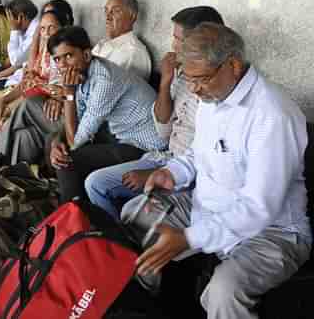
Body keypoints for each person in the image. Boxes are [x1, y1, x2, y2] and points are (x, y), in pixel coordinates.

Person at [122, 22, 311, 319]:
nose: (195, 90)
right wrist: (172, 172)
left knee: (224, 293)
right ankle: (156, 307)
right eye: (189, 80)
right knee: (134, 217)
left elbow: (259, 208)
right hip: (209, 207)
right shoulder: (214, 95)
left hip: (271, 231)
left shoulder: (271, 115)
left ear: (233, 65)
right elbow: (199, 152)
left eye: (201, 80)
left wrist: (190, 238)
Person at [0, 27, 166, 200]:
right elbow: (78, 121)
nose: (63, 64)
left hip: (140, 147)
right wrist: (58, 136)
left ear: (85, 54)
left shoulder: (105, 80)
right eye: (58, 59)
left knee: (66, 157)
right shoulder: (84, 74)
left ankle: (72, 213)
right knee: (35, 134)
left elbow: (76, 139)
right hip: (111, 133)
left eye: (68, 56)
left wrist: (68, 94)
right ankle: (9, 183)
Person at [85, 6, 224, 220]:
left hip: (189, 173)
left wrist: (158, 174)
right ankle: (106, 244)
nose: (173, 45)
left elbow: (207, 156)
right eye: (174, 37)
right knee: (95, 183)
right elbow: (163, 129)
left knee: (133, 213)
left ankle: (120, 246)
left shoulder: (217, 87)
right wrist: (166, 82)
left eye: (179, 39)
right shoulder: (179, 73)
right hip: (165, 157)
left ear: (200, 43)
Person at [0, 8, 70, 134]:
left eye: (52, 27)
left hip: (44, 103)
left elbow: (63, 93)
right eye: (42, 28)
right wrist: (3, 100)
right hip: (29, 94)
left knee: (0, 122)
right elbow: (28, 81)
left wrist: (58, 97)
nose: (46, 33)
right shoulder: (45, 51)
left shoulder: (65, 56)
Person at [92, 0, 152, 81]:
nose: (108, 17)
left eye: (116, 11)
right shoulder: (103, 43)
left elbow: (112, 91)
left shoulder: (132, 53)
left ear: (132, 16)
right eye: (106, 11)